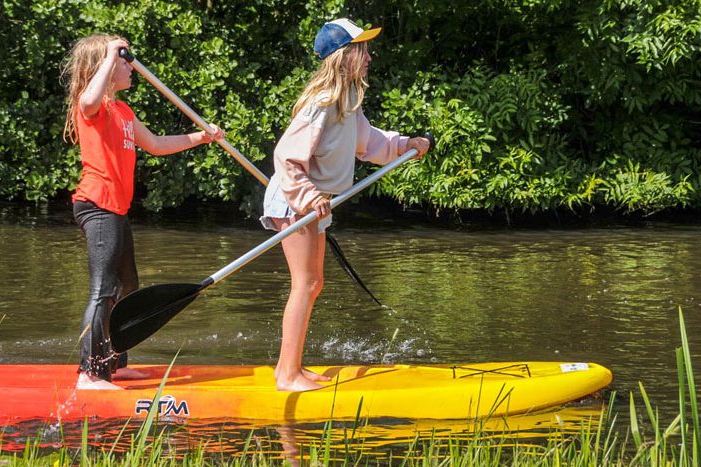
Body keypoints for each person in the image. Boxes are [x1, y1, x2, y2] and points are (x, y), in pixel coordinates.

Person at [262, 19, 431, 391]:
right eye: (362, 49)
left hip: (313, 203)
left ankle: (289, 367)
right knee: (305, 284)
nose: (369, 56)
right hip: (296, 200)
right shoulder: (321, 104)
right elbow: (286, 157)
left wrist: (405, 144)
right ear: (345, 56)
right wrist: (307, 198)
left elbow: (369, 143)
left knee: (314, 283)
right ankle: (287, 376)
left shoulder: (347, 103)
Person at [63, 34, 224, 389]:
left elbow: (156, 144)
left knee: (129, 287)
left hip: (115, 209)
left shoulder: (123, 112)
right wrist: (110, 53)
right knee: (104, 289)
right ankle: (90, 373)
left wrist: (202, 137)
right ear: (102, 65)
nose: (130, 66)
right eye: (125, 60)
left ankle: (114, 364)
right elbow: (90, 97)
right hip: (96, 204)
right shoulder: (91, 106)